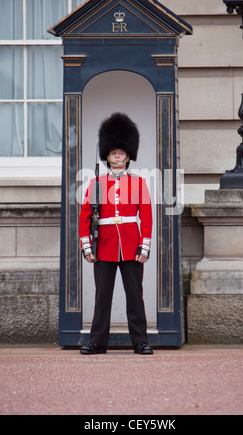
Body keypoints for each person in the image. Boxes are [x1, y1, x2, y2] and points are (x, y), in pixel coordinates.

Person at [79, 112, 153, 355]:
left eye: (121, 152)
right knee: (102, 298)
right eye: (113, 153)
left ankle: (140, 341)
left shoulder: (139, 183)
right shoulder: (96, 183)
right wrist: (87, 246)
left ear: (128, 155)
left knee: (135, 296)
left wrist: (144, 246)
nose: (117, 156)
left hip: (131, 245)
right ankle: (98, 342)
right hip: (104, 246)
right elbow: (85, 216)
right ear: (107, 155)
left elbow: (147, 216)